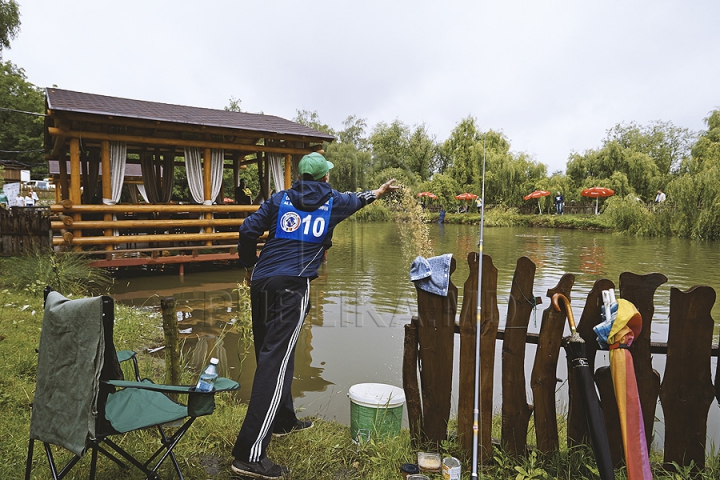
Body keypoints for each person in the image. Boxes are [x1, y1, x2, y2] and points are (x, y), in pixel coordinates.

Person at [231, 152, 399, 478]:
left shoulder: (280, 199)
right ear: (324, 179)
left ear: (300, 177)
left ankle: (282, 421)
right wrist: (379, 192)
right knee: (274, 364)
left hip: (263, 283)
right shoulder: (333, 201)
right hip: (293, 287)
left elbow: (247, 231)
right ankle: (248, 455)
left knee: (274, 355)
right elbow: (360, 199)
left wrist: (249, 264)